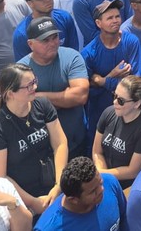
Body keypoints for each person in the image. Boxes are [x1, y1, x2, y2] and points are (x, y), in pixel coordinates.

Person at [0, 63, 68, 216]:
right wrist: (33, 203)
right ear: (10, 93)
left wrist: (59, 184)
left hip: (54, 187)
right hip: (24, 202)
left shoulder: (42, 105)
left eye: (35, 81)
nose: (34, 87)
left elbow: (60, 143)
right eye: (28, 85)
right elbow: (0, 178)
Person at [17, 17, 90, 158]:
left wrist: (38, 97)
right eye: (45, 40)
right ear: (30, 44)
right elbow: (21, 106)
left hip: (76, 142)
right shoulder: (21, 70)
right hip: (40, 149)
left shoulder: (72, 57)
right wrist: (64, 96)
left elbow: (80, 96)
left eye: (55, 37)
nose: (52, 43)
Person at [80, 0, 141, 134]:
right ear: (98, 23)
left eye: (117, 16)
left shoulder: (131, 42)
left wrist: (102, 80)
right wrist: (113, 75)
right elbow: (88, 89)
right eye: (109, 18)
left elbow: (136, 80)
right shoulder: (89, 52)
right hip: (99, 114)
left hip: (129, 111)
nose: (115, 20)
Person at [92, 75, 141, 189]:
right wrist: (101, 172)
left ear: (137, 103)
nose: (115, 102)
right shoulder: (108, 113)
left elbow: (133, 171)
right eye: (114, 95)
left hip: (129, 187)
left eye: (121, 100)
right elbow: (97, 151)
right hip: (104, 180)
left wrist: (102, 174)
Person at [35, 156, 126, 231]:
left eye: (100, 183)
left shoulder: (110, 183)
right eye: (93, 191)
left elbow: (125, 222)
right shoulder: (48, 228)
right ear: (73, 199)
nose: (102, 189)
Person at [13, 0, 79, 60]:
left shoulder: (64, 17)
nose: (47, 0)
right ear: (30, 3)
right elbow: (23, 68)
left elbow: (73, 52)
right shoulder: (22, 33)